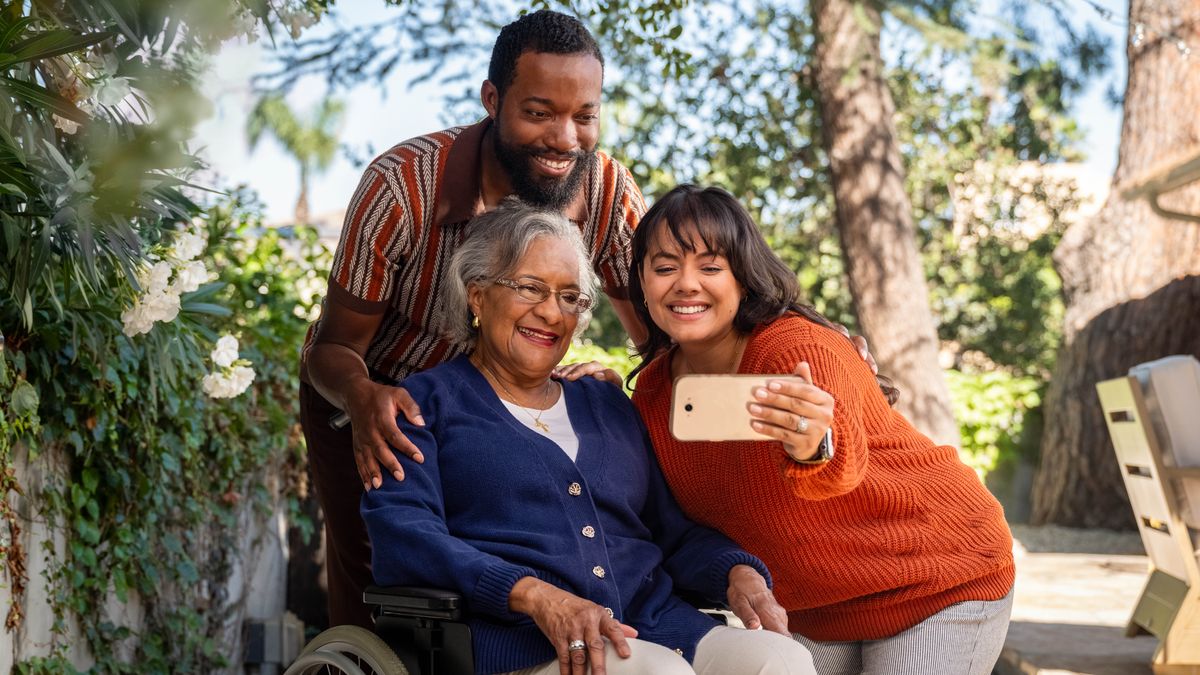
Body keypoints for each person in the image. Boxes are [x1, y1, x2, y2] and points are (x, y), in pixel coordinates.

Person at [361, 200, 817, 675]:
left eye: (569, 298)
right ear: (477, 296)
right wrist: (533, 594)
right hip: (528, 648)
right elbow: (404, 537)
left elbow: (668, 532)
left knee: (779, 659)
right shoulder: (421, 405)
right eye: (530, 288)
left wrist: (736, 573)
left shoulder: (606, 404)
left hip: (661, 627)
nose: (551, 314)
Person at [299, 10, 648, 628]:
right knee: (384, 574)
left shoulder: (609, 193)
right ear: (493, 99)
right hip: (379, 397)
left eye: (584, 116)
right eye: (539, 113)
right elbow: (334, 347)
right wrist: (360, 396)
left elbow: (664, 338)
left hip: (507, 403)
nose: (565, 139)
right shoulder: (403, 185)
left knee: (520, 559)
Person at [626, 185, 1016, 675]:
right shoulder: (655, 391)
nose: (686, 283)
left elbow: (837, 464)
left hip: (936, 578)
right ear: (640, 281)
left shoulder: (795, 347)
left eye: (710, 267)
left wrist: (813, 446)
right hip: (814, 611)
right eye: (665, 268)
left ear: (743, 277)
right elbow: (672, 517)